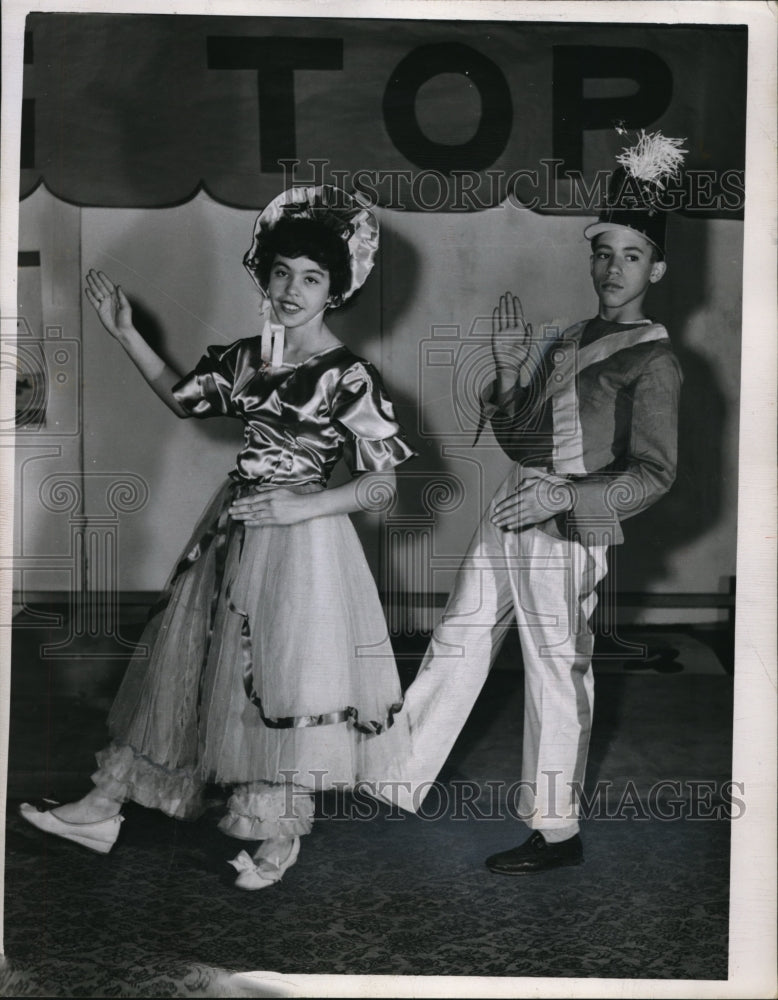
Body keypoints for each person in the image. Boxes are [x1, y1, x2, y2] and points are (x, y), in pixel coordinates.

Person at [20, 185, 416, 890]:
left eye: (312, 278)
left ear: (334, 291)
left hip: (302, 543)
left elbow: (383, 482)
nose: (292, 289)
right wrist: (126, 332)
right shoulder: (249, 359)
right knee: (190, 663)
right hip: (232, 525)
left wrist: (302, 509)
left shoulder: (347, 376)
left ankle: (275, 831)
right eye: (283, 273)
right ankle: (104, 808)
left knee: (281, 682)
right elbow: (182, 400)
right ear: (264, 276)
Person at [374, 133, 685, 875]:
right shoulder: (572, 337)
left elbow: (655, 472)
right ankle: (391, 775)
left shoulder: (656, 357)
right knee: (460, 636)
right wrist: (513, 372)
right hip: (515, 503)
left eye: (632, 257)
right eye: (604, 253)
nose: (613, 270)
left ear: (658, 269)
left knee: (555, 668)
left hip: (573, 522)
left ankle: (556, 831)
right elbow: (519, 439)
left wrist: (571, 495)